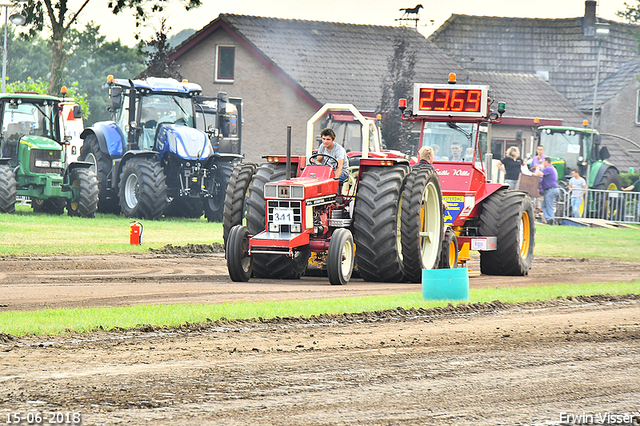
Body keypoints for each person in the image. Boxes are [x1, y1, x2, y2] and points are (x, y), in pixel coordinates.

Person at [533, 156, 559, 225]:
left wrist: (537, 169)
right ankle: (548, 218)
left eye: (543, 161)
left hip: (551, 190)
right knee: (544, 206)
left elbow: (537, 174)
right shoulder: (551, 168)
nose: (542, 163)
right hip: (551, 190)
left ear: (546, 162)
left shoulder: (549, 168)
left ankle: (551, 221)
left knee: (549, 206)